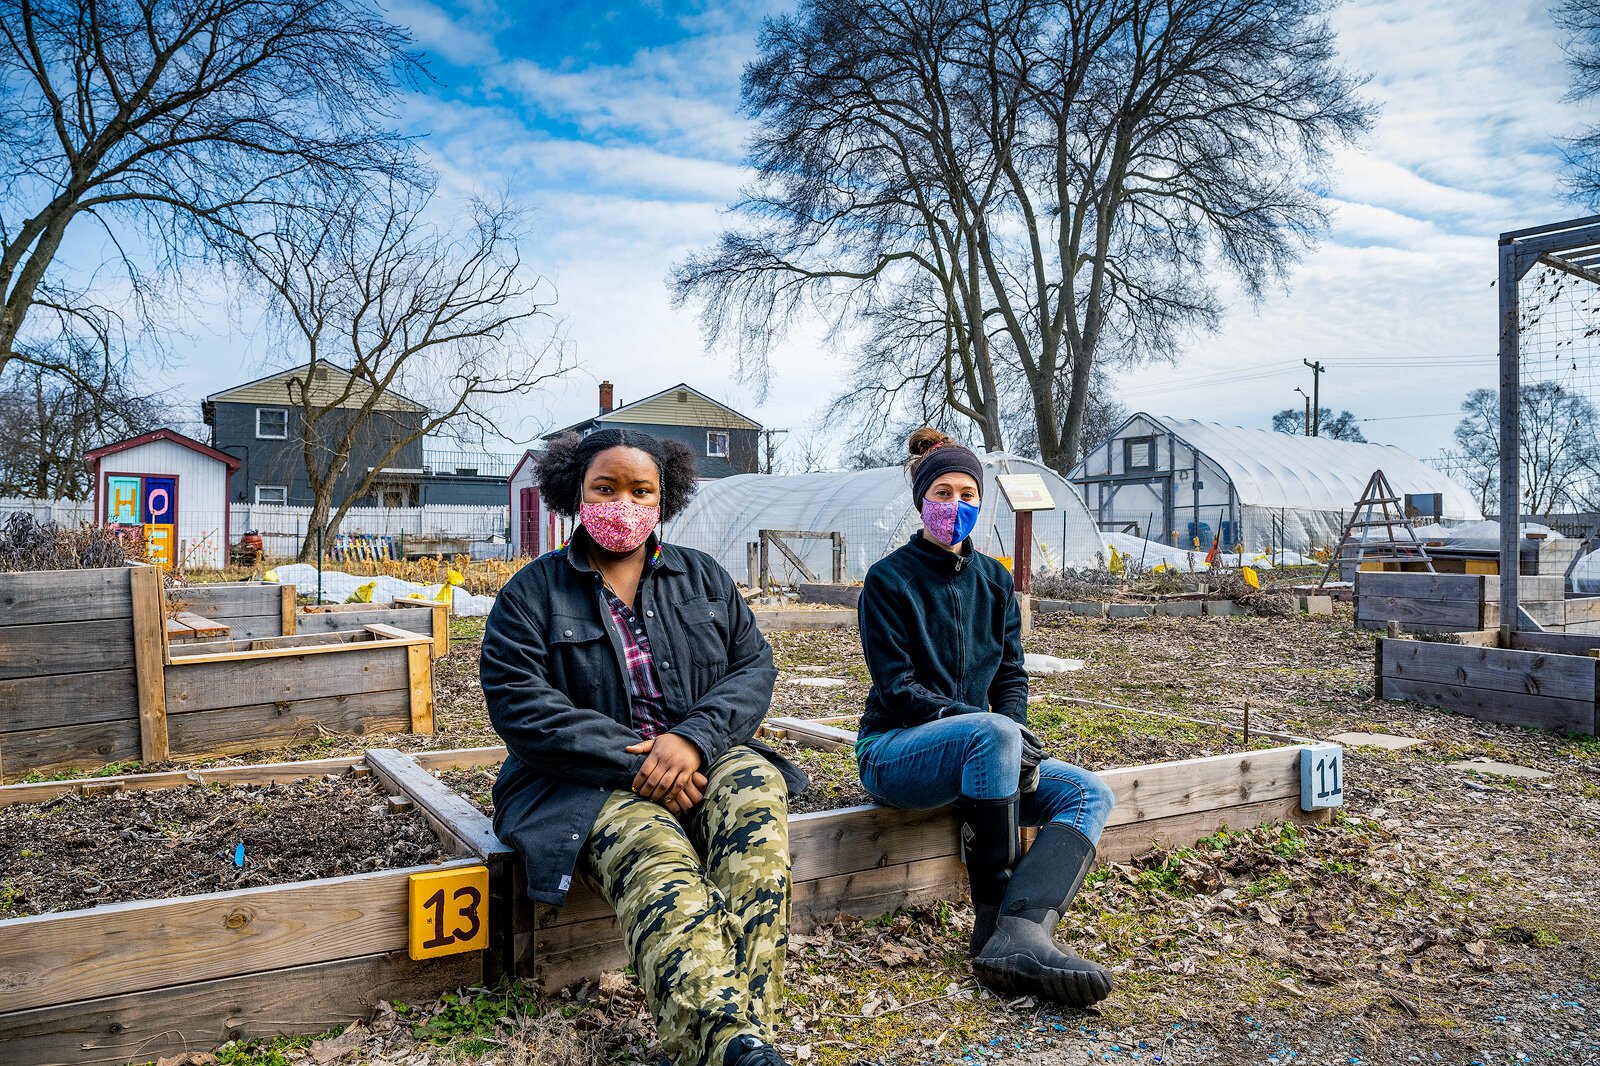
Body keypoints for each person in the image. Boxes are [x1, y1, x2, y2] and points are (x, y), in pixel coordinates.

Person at [482, 429, 808, 1066]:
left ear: (664, 499)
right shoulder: (531, 594)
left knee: (755, 800)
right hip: (582, 783)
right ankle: (734, 1046)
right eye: (606, 487)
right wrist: (640, 760)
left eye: (641, 490)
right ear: (576, 494)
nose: (622, 502)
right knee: (653, 852)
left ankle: (738, 1042)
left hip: (700, 756)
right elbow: (522, 706)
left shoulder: (702, 577)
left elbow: (753, 669)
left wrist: (692, 739)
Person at [853, 428, 1117, 1007]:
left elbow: (1010, 676)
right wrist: (993, 731)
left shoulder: (995, 581)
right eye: (943, 492)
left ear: (981, 502)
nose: (956, 505)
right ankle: (992, 927)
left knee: (1088, 794)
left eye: (968, 494)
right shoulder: (888, 581)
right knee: (991, 732)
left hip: (984, 758)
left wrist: (1017, 734)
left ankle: (1025, 930)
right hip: (897, 752)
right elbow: (897, 690)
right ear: (922, 501)